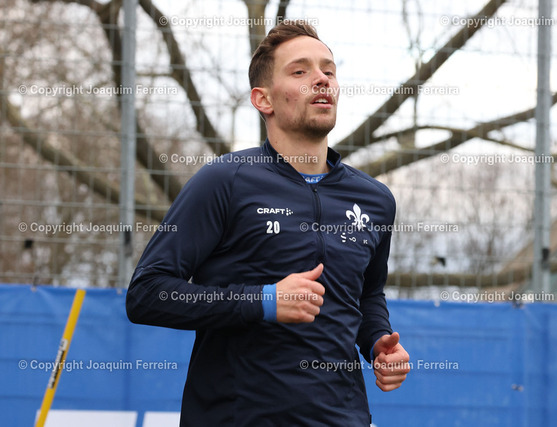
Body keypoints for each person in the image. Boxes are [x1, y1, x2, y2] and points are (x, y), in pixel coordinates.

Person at [126, 20, 410, 426]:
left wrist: (378, 342)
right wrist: (262, 301)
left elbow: (367, 295)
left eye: (328, 71)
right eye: (300, 71)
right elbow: (147, 294)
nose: (321, 80)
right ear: (264, 99)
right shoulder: (224, 181)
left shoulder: (375, 200)